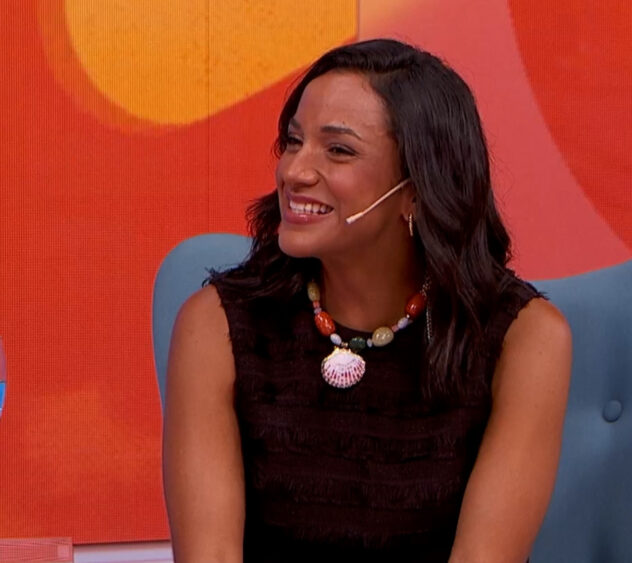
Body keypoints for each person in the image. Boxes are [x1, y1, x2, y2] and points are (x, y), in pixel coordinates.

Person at [163, 38, 571, 562]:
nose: (294, 171)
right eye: (293, 141)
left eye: (338, 150)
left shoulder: (526, 340)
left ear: (416, 188)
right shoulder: (215, 324)